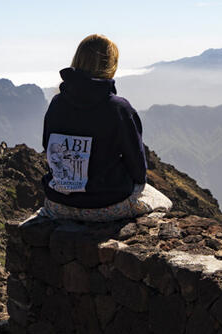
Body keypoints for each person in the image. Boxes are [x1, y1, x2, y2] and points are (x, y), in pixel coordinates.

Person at [38, 34, 171, 221]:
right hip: (105, 206)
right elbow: (138, 171)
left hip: (59, 204)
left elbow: (48, 148)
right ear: (111, 65)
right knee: (162, 201)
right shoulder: (119, 109)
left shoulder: (57, 102)